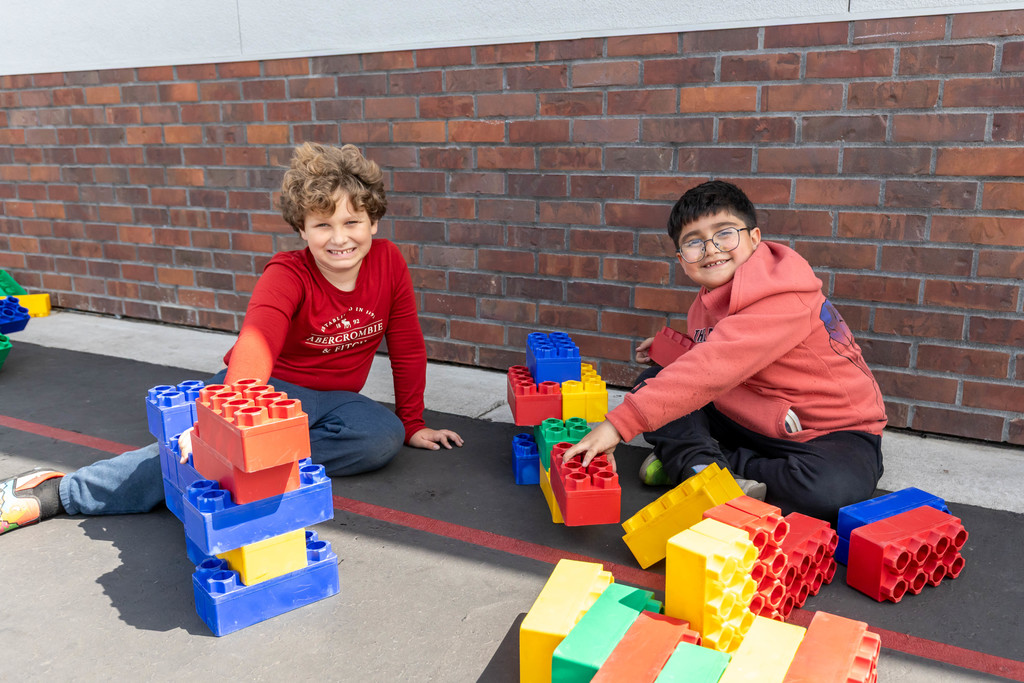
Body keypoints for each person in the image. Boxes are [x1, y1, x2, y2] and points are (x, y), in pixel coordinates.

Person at [0, 142, 463, 536]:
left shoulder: (389, 262)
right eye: (323, 225)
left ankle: (248, 466)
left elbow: (406, 342)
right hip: (263, 391)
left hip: (338, 400)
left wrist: (413, 420)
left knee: (381, 438)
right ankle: (60, 492)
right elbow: (256, 343)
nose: (339, 238)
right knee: (211, 452)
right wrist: (225, 426)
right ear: (302, 229)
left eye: (352, 222)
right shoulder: (287, 274)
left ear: (373, 222)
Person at [564, 180, 886, 521]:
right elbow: (716, 356)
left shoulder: (783, 295)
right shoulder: (708, 298)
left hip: (825, 433)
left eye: (724, 233)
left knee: (831, 493)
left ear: (755, 239)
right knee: (652, 382)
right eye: (694, 243)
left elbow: (713, 366)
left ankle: (703, 467)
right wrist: (671, 349)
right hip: (753, 415)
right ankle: (706, 466)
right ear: (682, 261)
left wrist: (617, 426)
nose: (712, 249)